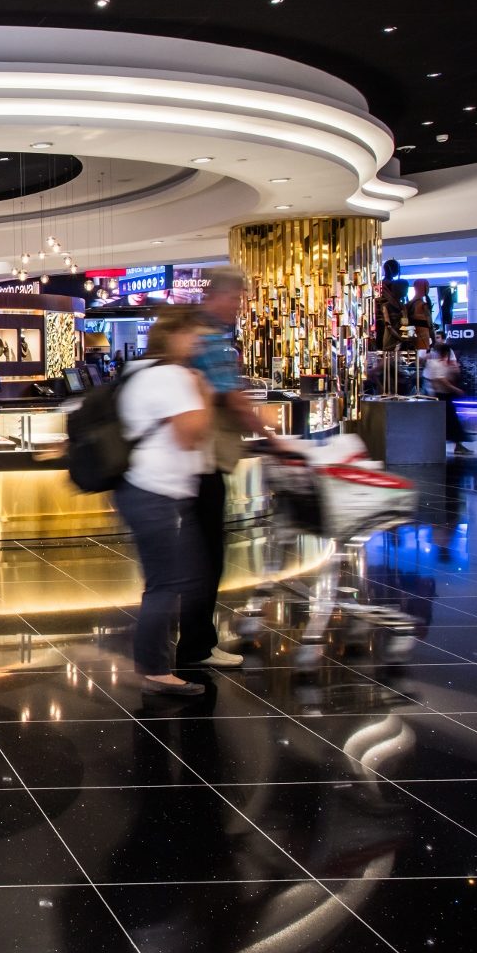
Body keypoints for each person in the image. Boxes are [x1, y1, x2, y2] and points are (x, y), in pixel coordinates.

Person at [116, 309, 215, 698]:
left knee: (169, 579)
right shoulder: (175, 378)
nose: (198, 345)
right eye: (194, 336)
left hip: (140, 488)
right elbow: (190, 435)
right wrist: (204, 393)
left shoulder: (137, 372)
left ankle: (152, 656)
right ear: (175, 336)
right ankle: (154, 668)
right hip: (155, 492)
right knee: (166, 583)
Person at [185, 269, 280, 670]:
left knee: (199, 556)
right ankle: (196, 646)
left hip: (195, 461)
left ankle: (193, 642)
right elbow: (233, 398)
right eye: (236, 301)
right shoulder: (210, 339)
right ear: (219, 297)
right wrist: (273, 437)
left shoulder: (200, 336)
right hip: (204, 461)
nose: (237, 309)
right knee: (206, 557)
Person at [423, 340, 472, 455]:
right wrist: (456, 390)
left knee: (449, 422)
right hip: (439, 397)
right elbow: (440, 380)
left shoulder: (441, 363)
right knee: (448, 422)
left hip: (443, 396)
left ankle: (456, 445)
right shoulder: (434, 363)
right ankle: (451, 446)